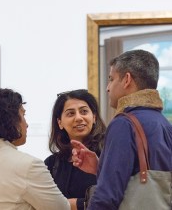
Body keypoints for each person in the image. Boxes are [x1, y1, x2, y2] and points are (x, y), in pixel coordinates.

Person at [71, 49, 172, 209]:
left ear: (126, 80)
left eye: (111, 79)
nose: (108, 88)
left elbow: (107, 197)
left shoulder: (124, 123)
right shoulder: (163, 123)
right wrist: (100, 167)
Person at [0, 87, 73, 210]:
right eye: (23, 114)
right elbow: (61, 208)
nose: (26, 124)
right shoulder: (28, 165)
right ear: (10, 119)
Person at [44, 89, 106, 210]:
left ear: (94, 117)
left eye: (84, 111)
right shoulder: (51, 164)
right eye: (70, 113)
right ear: (60, 122)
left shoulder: (108, 155)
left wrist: (77, 204)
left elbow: (120, 195)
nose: (78, 118)